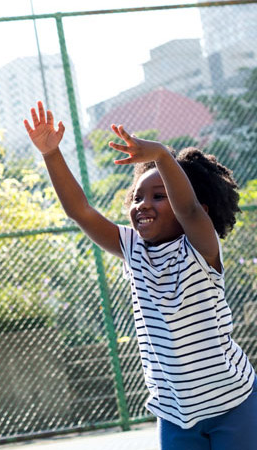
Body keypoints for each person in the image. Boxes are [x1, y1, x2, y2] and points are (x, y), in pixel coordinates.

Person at [24, 101, 256, 449]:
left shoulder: (201, 248)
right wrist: (51, 154)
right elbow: (81, 211)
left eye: (159, 196)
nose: (142, 204)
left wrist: (162, 156)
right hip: (176, 413)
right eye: (137, 196)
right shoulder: (133, 248)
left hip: (234, 404)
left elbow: (190, 208)